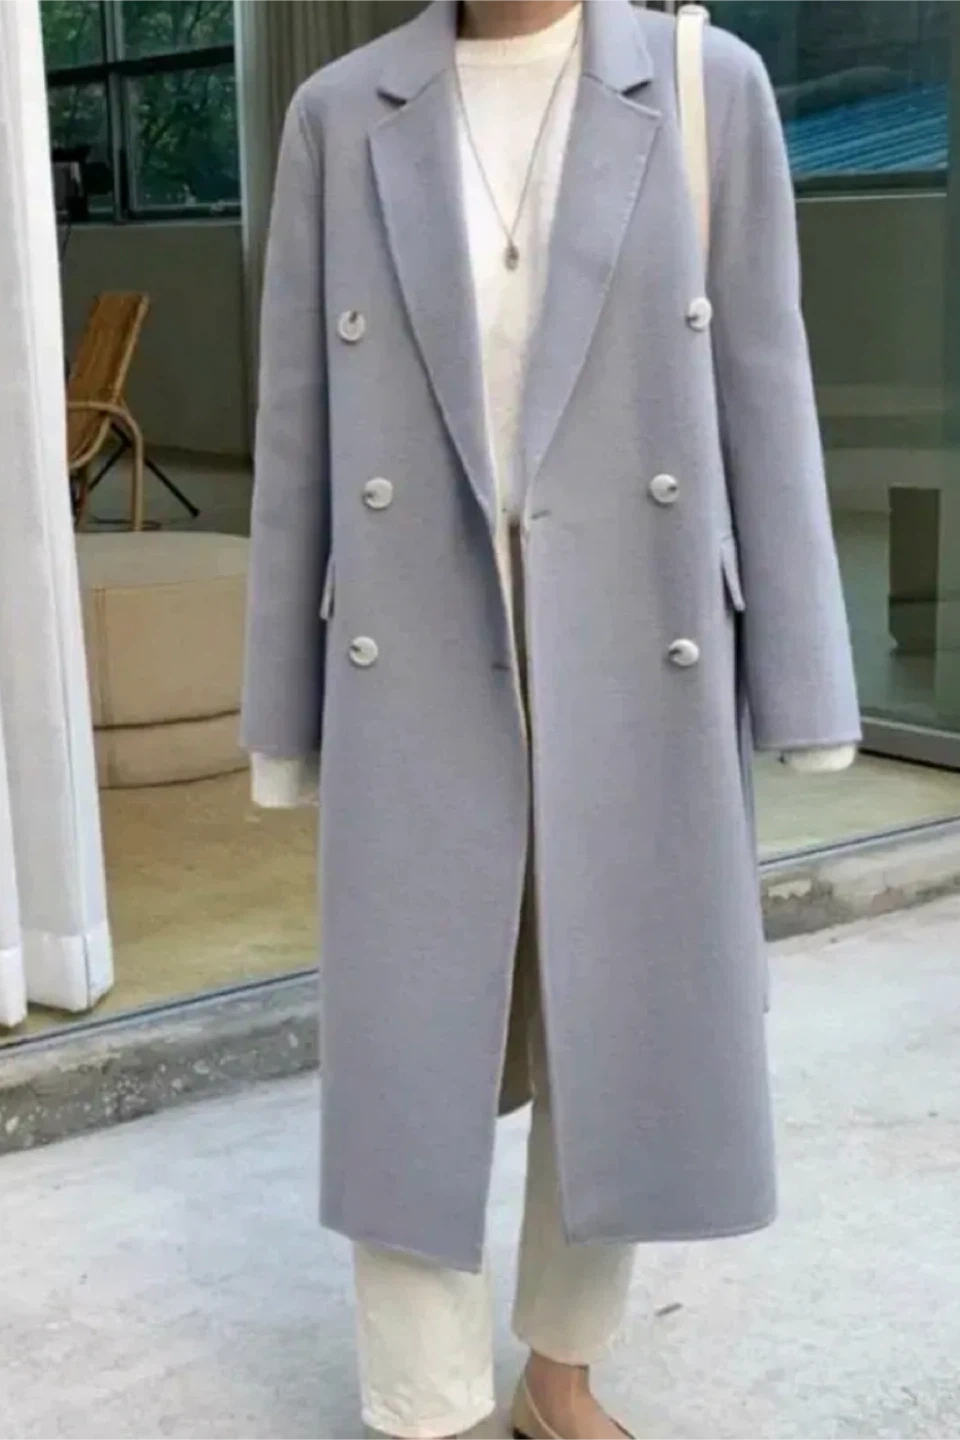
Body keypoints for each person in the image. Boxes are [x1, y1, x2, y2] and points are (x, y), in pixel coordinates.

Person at [241, 2, 861, 1436]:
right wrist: (281, 705)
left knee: (619, 1012)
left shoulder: (706, 84)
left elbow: (766, 381)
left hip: (638, 633)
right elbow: (298, 426)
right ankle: (424, 1402)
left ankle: (559, 1373)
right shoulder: (343, 111)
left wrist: (807, 677)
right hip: (418, 639)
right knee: (410, 1041)